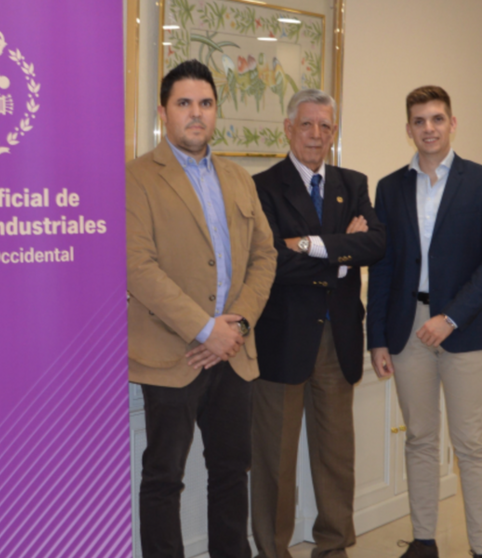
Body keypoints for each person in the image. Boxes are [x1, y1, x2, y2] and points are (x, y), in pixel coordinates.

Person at [126, 59, 277, 558]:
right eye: (184, 103)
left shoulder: (239, 177)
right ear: (163, 113)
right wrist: (203, 328)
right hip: (172, 355)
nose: (197, 114)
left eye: (206, 104)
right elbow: (138, 268)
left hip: (233, 352)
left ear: (216, 112)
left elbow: (264, 256)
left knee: (232, 472)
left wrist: (235, 327)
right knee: (164, 478)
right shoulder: (137, 178)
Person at [367, 85, 482, 558]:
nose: (428, 128)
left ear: (452, 123)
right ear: (407, 128)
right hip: (407, 326)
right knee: (421, 439)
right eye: (419, 120)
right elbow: (384, 266)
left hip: (464, 327)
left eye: (437, 119)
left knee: (470, 443)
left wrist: (450, 317)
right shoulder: (389, 187)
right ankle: (424, 540)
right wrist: (378, 339)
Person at [251, 89, 386, 558]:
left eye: (325, 126)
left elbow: (376, 245)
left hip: (339, 337)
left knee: (335, 456)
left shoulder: (354, 181)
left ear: (334, 133)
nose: (316, 135)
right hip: (282, 340)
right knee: (275, 460)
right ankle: (273, 550)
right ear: (288, 128)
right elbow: (271, 262)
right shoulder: (262, 186)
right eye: (306, 125)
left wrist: (307, 245)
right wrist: (340, 252)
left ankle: (332, 547)